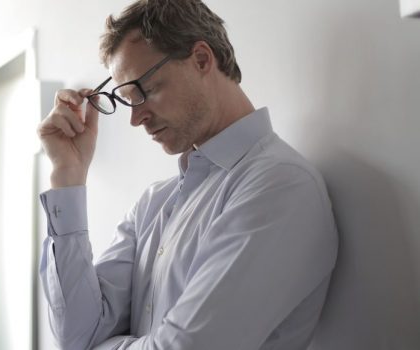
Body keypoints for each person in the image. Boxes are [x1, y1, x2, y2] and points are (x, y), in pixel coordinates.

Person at [36, 0, 339, 349]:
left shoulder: (280, 186)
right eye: (129, 100)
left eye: (146, 90)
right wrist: (67, 176)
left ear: (201, 59)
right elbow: (76, 336)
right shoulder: (154, 203)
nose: (137, 119)